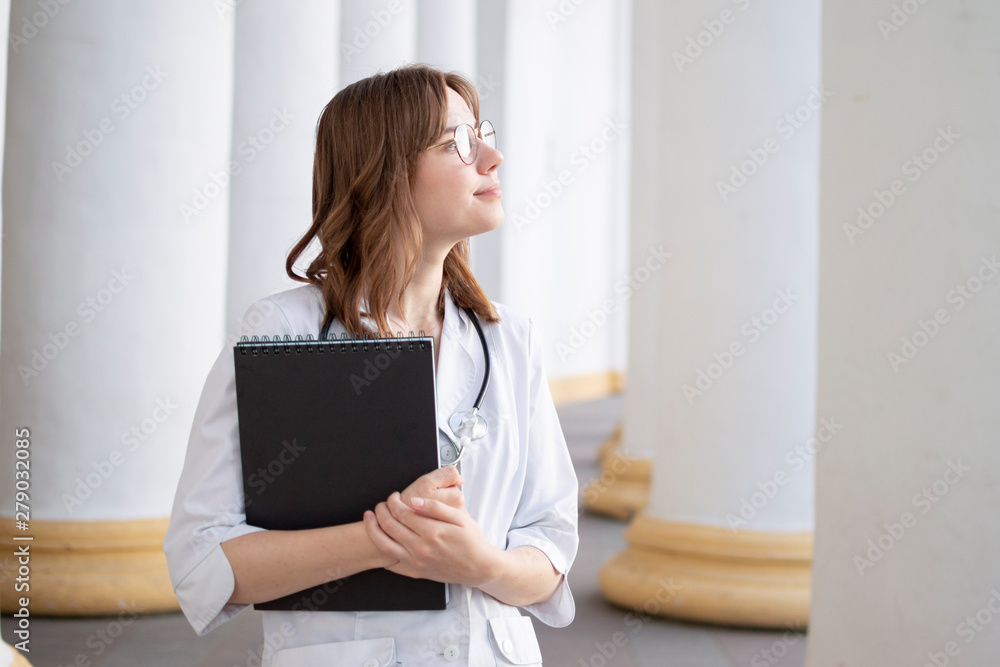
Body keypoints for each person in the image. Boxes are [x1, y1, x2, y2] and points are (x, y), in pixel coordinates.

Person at [163, 64, 579, 666]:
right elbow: (204, 562)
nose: (493, 156)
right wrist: (381, 540)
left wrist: (478, 563)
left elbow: (551, 556)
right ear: (383, 174)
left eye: (482, 132)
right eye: (456, 142)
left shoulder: (508, 338)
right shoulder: (284, 333)